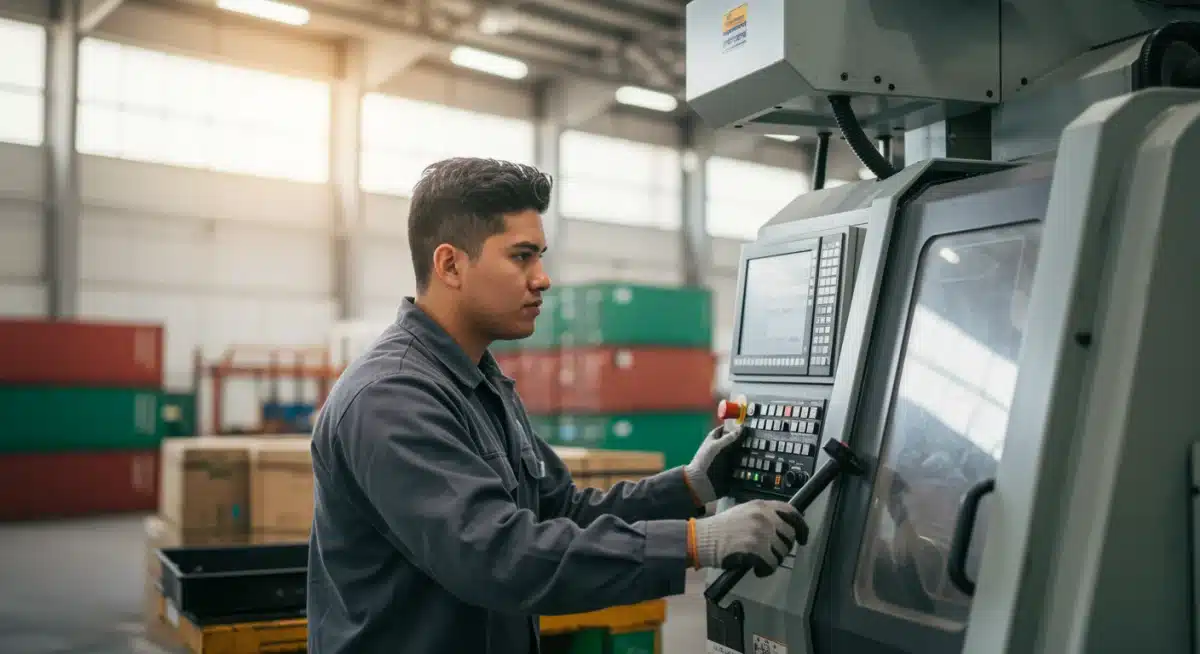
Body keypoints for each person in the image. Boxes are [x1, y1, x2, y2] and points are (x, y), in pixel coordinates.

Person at [307, 157, 807, 654]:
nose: (542, 278)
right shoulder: (392, 397)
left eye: (540, 256)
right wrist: (698, 543)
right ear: (450, 265)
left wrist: (689, 486)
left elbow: (562, 510)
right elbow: (496, 556)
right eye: (521, 257)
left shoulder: (480, 383)